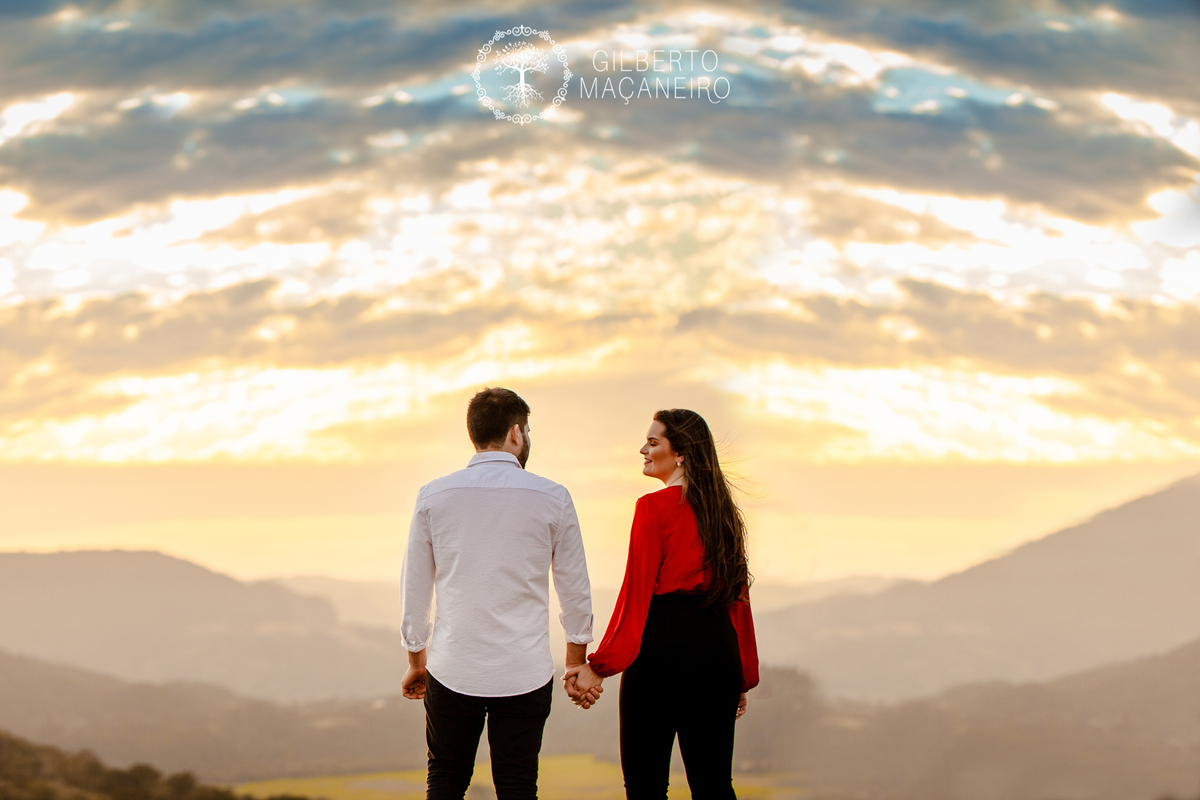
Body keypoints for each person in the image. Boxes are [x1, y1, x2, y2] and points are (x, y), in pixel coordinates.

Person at [400, 387, 596, 800]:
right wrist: (575, 662)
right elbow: (575, 590)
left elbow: (415, 588)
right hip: (525, 671)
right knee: (518, 785)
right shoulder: (553, 498)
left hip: (452, 669)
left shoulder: (434, 496)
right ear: (516, 433)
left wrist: (417, 659)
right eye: (527, 430)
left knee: (446, 779)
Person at [564, 408, 759, 800]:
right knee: (714, 786)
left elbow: (635, 596)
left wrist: (598, 666)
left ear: (680, 453)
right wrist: (740, 673)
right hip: (718, 653)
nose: (643, 450)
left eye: (653, 443)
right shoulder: (724, 514)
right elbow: (738, 601)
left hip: (661, 654)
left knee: (646, 788)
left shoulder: (653, 507)